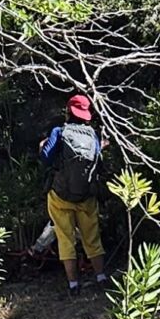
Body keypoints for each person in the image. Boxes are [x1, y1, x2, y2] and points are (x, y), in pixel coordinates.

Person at [39, 94, 108, 296]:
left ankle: (73, 285)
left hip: (60, 197)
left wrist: (42, 146)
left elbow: (46, 158)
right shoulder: (92, 135)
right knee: (92, 238)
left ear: (68, 112)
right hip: (86, 196)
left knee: (65, 238)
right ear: (87, 115)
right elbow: (99, 164)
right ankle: (101, 277)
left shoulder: (59, 132)